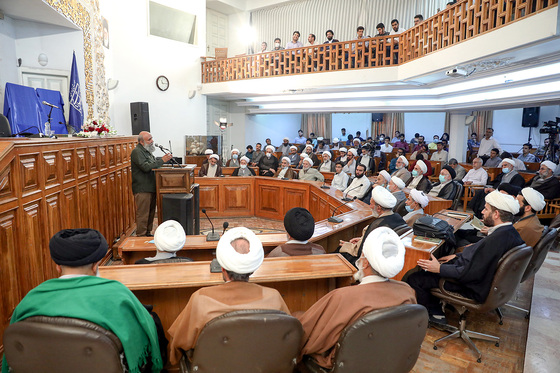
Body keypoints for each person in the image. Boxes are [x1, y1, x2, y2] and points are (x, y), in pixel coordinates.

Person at [2, 229, 163, 373]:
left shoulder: (28, 300)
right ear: (95, 265)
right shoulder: (118, 295)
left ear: (58, 266)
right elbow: (142, 340)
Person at [297, 227, 416, 370]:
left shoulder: (342, 297)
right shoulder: (407, 291)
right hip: (386, 361)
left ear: (365, 263)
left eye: (362, 256)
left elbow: (307, 337)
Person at [168, 227, 290, 365]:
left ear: (222, 268)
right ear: (253, 269)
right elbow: (287, 339)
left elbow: (177, 343)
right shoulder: (274, 298)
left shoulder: (200, 299)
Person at [407, 191, 523, 324]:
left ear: (496, 214)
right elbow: (479, 257)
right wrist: (457, 255)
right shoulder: (510, 232)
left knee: (416, 278)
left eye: (486, 209)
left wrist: (439, 269)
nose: (482, 212)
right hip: (472, 274)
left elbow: (469, 273)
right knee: (442, 258)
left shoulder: (496, 240)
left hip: (471, 286)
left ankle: (434, 314)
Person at [339, 186, 407, 264]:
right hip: (385, 258)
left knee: (338, 251)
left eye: (371, 204)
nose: (370, 206)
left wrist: (347, 245)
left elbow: (360, 252)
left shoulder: (377, 225)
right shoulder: (398, 217)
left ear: (378, 208)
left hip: (368, 263)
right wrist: (362, 239)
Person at [131, 131, 172, 237]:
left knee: (151, 213)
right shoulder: (137, 152)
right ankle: (141, 235)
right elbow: (145, 167)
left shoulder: (147, 151)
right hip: (143, 188)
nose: (152, 141)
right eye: (149, 139)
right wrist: (162, 161)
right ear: (141, 141)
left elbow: (153, 165)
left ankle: (148, 233)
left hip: (152, 187)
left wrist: (162, 162)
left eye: (151, 138)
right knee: (143, 214)